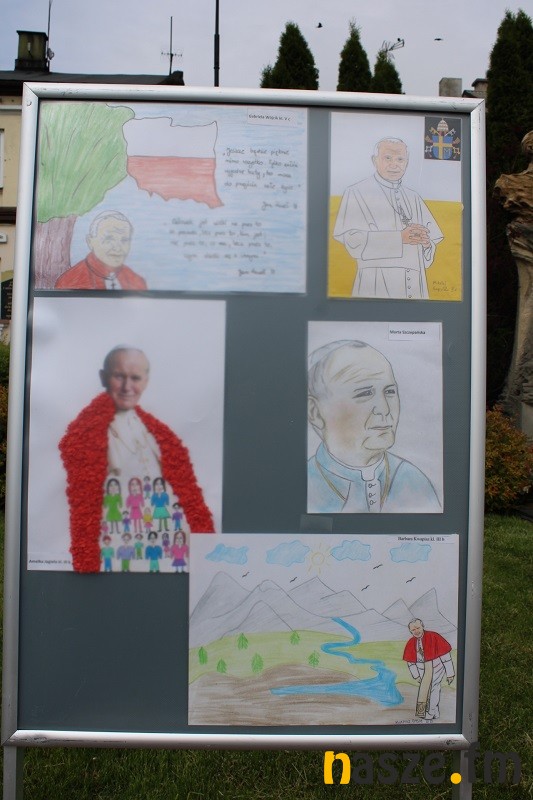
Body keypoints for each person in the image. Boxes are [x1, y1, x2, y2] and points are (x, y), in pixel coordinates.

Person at [59, 346, 214, 572]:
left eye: (135, 378)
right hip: (116, 548)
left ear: (146, 381)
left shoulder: (157, 431)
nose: (127, 387)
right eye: (119, 376)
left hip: (171, 548)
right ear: (103, 377)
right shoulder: (84, 435)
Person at [307, 340, 441, 513]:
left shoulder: (414, 482)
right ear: (315, 412)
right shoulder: (305, 485)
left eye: (390, 391)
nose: (384, 409)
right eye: (365, 393)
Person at [333, 138, 444, 299]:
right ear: (375, 160)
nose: (394, 164)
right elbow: (353, 242)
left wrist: (426, 244)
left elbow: (428, 250)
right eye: (388, 158)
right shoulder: (356, 192)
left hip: (415, 284)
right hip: (376, 282)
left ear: (407, 162)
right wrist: (400, 237)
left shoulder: (414, 197)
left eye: (400, 159)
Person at [54, 211, 147, 290]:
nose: (118, 247)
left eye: (124, 240)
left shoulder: (137, 282)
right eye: (109, 239)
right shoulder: (69, 282)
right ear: (90, 242)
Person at [402, 618, 454, 720]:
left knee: (434, 688)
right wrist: (416, 676)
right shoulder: (411, 642)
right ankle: (435, 712)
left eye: (418, 628)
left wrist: (450, 673)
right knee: (427, 690)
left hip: (436, 667)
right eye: (413, 630)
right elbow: (411, 663)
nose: (416, 631)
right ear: (410, 631)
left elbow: (446, 657)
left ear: (422, 626)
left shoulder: (433, 636)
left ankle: (430, 712)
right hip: (421, 670)